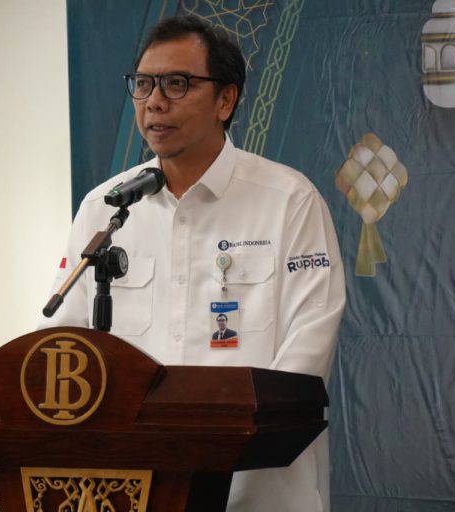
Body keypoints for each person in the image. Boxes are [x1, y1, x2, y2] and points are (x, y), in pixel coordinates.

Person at [41, 15, 346, 512]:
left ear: (226, 100)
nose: (154, 102)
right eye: (143, 84)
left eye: (177, 84)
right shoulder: (106, 208)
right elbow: (63, 346)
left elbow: (304, 359)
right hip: (131, 488)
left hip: (255, 489)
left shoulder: (289, 202)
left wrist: (216, 453)